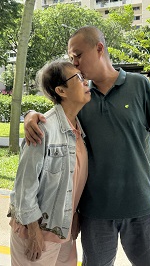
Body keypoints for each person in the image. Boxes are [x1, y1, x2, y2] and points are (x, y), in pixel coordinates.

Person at [24, 26, 150, 266]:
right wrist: (30, 115)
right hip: (95, 210)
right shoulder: (80, 96)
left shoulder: (139, 85)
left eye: (78, 55)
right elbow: (54, 113)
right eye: (71, 58)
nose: (75, 63)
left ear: (99, 48)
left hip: (140, 204)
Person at [7, 60, 91, 265]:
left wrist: (74, 217)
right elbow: (24, 186)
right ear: (61, 90)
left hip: (62, 231)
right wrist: (34, 232)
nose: (86, 81)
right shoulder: (43, 129)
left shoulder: (78, 129)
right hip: (36, 234)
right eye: (79, 78)